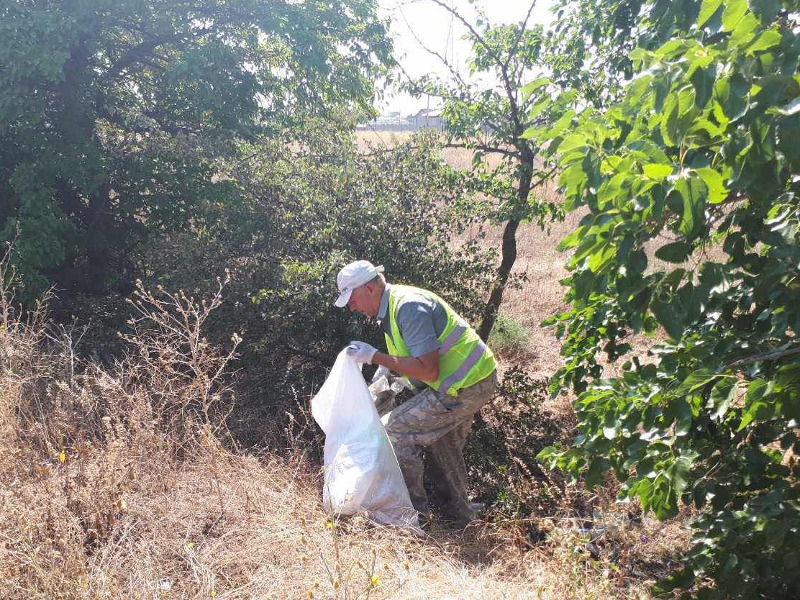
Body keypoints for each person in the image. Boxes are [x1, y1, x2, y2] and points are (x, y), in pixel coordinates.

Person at [333, 259, 497, 526]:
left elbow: (428, 371)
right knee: (444, 444)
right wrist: (386, 373)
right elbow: (412, 358)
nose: (352, 307)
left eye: (351, 299)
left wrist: (376, 357)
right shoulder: (392, 308)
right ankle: (460, 515)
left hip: (465, 384)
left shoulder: (407, 308)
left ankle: (413, 517)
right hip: (468, 380)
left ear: (369, 289)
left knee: (393, 431)